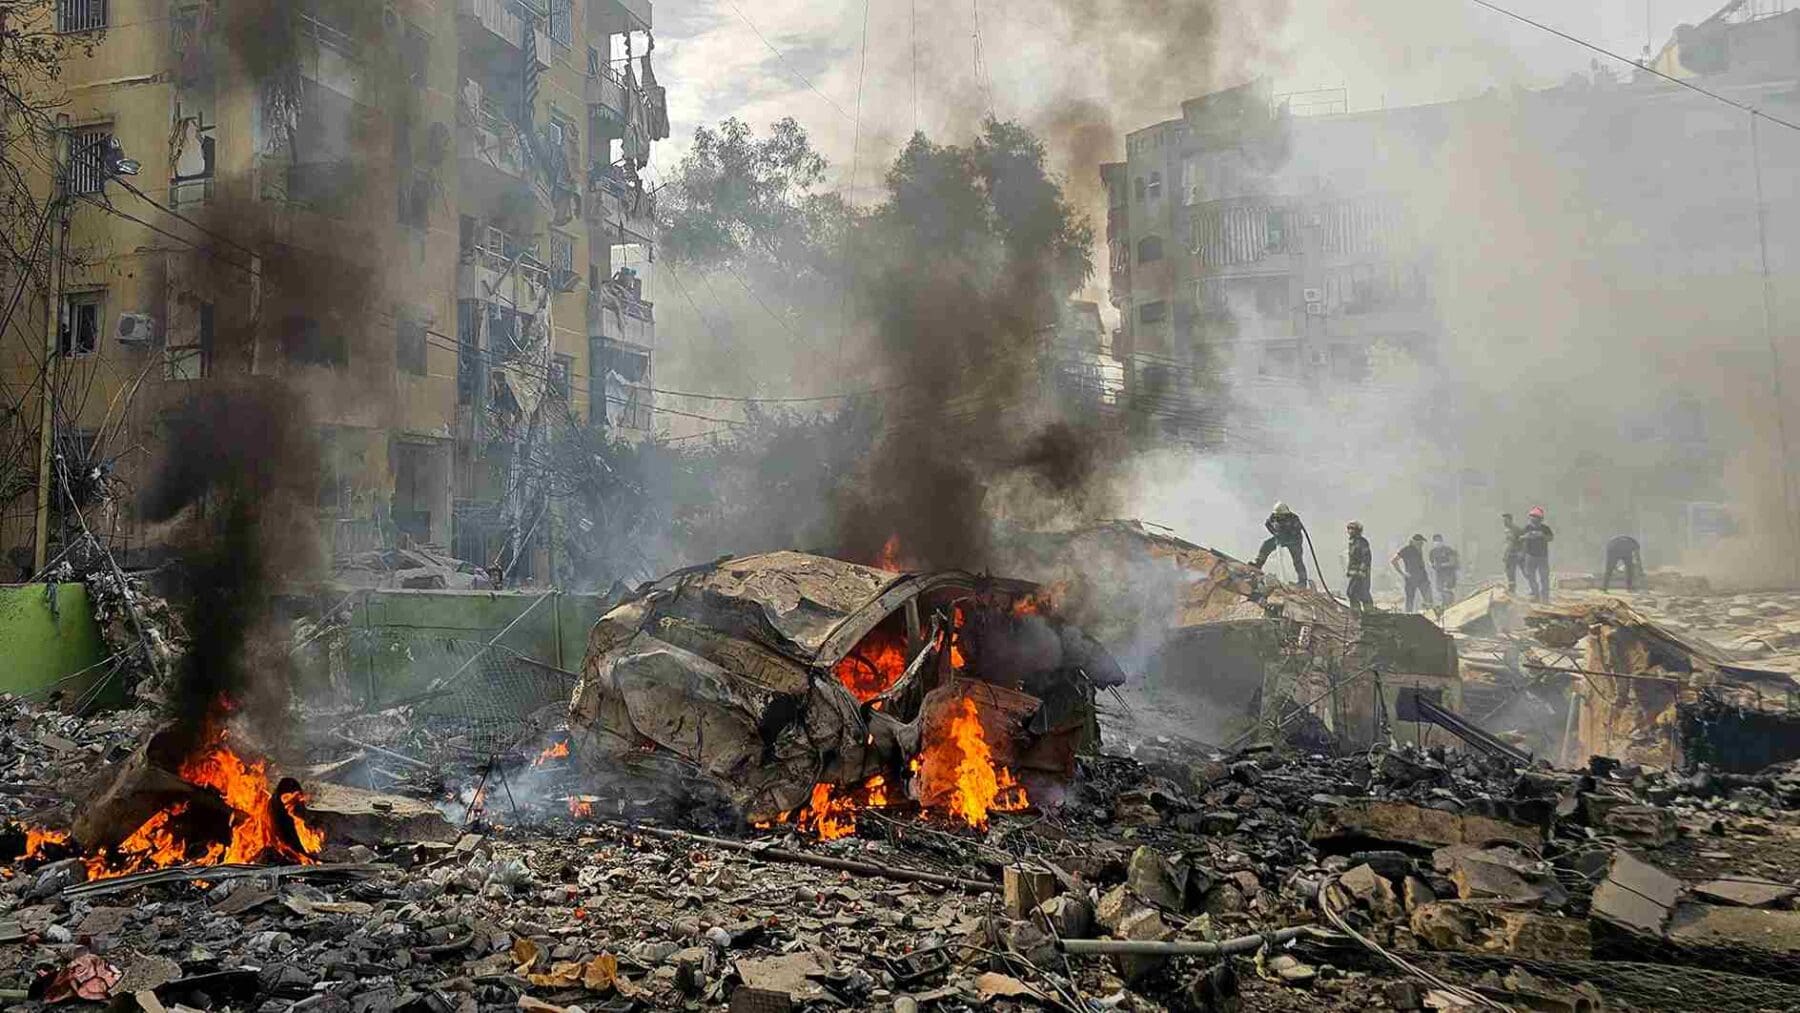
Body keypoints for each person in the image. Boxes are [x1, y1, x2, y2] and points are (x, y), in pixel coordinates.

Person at [1250, 501, 1309, 587]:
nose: (1280, 517)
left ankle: (1302, 582)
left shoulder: (1294, 518)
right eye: (1279, 515)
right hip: (1280, 537)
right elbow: (1268, 524)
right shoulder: (1274, 516)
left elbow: (1296, 532)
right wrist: (1275, 533)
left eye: (1281, 515)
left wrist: (1285, 536)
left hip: (1294, 540)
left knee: (1297, 561)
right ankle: (1258, 564)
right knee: (1266, 545)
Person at [1391, 534, 1434, 613]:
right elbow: (1394, 560)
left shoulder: (1420, 550)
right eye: (1420, 543)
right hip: (1411, 578)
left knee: (1428, 598)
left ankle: (1430, 614)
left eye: (1422, 543)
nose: (1421, 545)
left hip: (1423, 577)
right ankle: (1409, 616)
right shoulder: (1406, 550)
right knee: (1410, 600)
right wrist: (1402, 573)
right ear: (1414, 542)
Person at [1519, 506, 1554, 603]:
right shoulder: (1527, 528)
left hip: (1542, 556)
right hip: (1530, 556)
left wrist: (1542, 535)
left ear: (1540, 519)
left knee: (1544, 578)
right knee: (1530, 576)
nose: (1533, 518)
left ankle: (1545, 598)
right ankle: (1535, 594)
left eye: (1535, 517)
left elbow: (1551, 538)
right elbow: (1520, 538)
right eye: (1531, 516)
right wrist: (1527, 537)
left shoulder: (1545, 528)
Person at [1345, 521, 1374, 611]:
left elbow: (1366, 558)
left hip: (1361, 573)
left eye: (1352, 529)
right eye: (1349, 528)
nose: (1350, 531)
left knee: (1357, 593)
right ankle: (1357, 612)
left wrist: (1362, 571)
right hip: (1354, 573)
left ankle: (1367, 612)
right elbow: (1352, 559)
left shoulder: (1362, 542)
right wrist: (1349, 571)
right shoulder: (1352, 543)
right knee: (1353, 593)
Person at [1429, 534, 1461, 608]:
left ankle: (1451, 603)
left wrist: (1442, 565)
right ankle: (1445, 604)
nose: (1437, 543)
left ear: (1442, 541)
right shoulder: (1432, 552)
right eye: (1435, 541)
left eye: (1439, 541)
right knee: (1439, 589)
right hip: (1439, 574)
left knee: (1448, 589)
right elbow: (1431, 563)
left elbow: (1452, 562)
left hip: (1449, 573)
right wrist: (1433, 566)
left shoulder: (1448, 550)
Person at [1501, 512, 1524, 594]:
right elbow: (1507, 544)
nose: (1504, 523)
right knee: (1509, 573)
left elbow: (1523, 542)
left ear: (1510, 520)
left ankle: (1534, 589)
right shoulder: (1506, 530)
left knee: (1524, 572)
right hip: (1509, 555)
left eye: (1505, 520)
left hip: (1516, 554)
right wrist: (1505, 554)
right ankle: (1512, 590)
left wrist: (1521, 552)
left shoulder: (1516, 529)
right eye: (1503, 521)